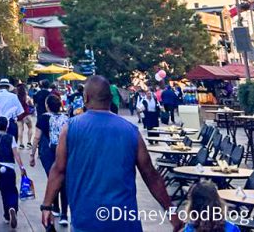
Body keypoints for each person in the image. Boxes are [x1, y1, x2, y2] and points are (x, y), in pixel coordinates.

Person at [41, 75, 181, 231]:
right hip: (124, 222)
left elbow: (58, 170)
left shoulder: (70, 128)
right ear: (110, 98)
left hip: (86, 221)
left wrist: (46, 206)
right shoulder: (131, 131)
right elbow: (151, 175)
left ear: (86, 98)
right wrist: (171, 211)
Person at [30, 94, 69, 226]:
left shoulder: (43, 118)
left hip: (48, 153)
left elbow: (37, 137)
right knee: (63, 181)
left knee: (53, 179)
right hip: (64, 152)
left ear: (47, 106)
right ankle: (64, 214)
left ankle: (56, 207)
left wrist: (32, 154)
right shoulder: (66, 118)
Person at [16, 83, 35, 149]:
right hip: (26, 114)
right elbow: (32, 104)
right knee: (30, 127)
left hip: (19, 114)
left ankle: (21, 144)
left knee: (20, 129)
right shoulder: (26, 97)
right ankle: (29, 143)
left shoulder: (16, 97)